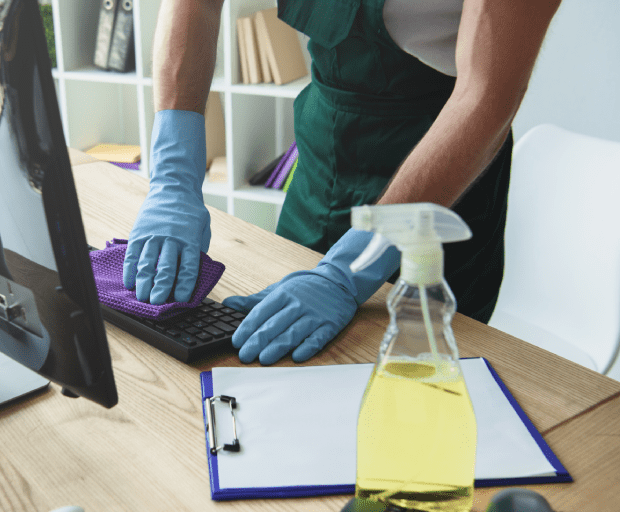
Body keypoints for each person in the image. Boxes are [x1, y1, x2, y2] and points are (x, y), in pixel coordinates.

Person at [123, 0, 562, 365]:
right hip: (322, 158)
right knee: (271, 361)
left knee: (412, 386)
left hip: (438, 183)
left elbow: (486, 96)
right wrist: (173, 178)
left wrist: (350, 270)